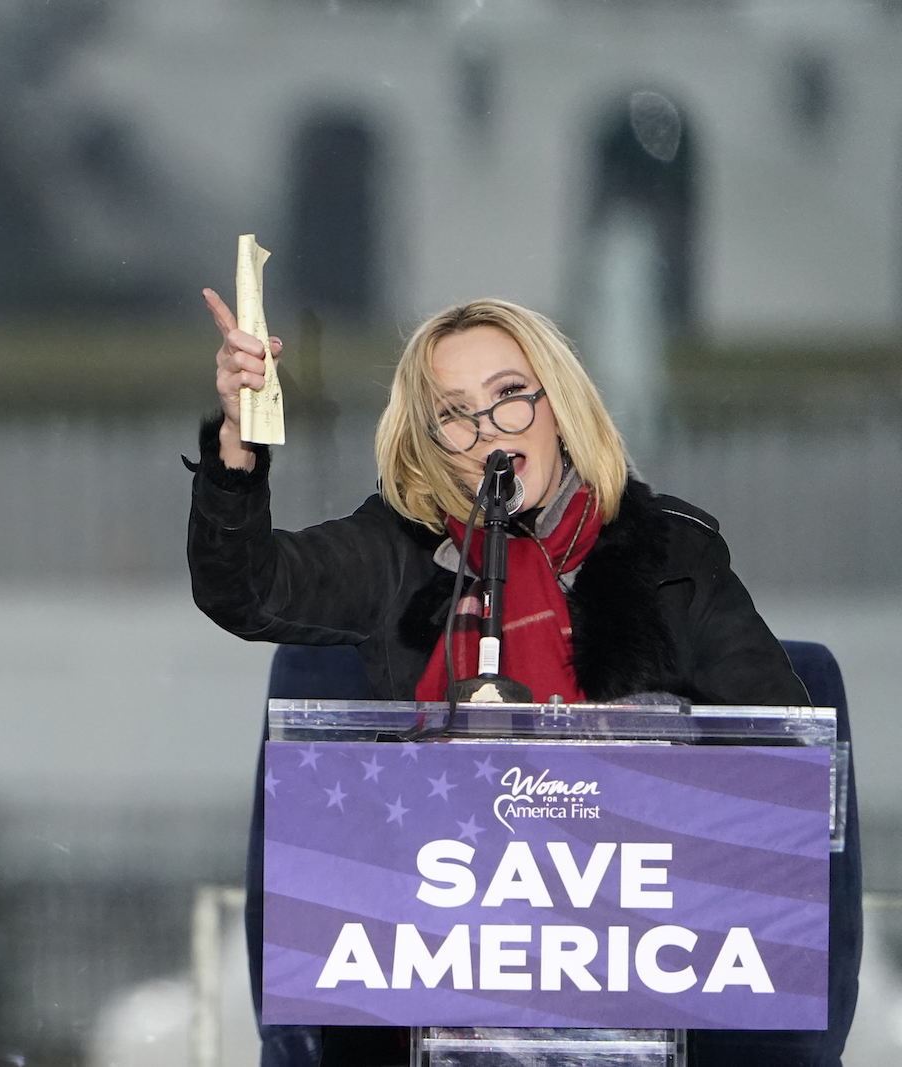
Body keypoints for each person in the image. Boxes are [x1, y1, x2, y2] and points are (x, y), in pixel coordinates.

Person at [185, 293, 859, 1067]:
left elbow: (785, 770)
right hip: (433, 978)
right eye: (455, 413)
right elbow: (243, 587)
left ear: (557, 405)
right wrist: (238, 440)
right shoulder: (394, 556)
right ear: (431, 441)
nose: (489, 433)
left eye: (509, 395)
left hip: (654, 977)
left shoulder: (671, 556)